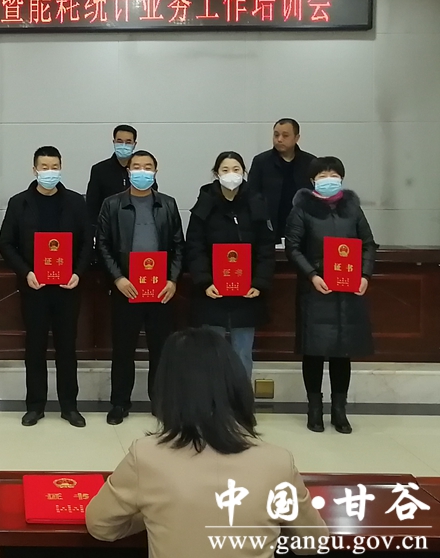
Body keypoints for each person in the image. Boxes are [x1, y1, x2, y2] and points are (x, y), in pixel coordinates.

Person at [87, 328, 328, 557]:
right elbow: (314, 542)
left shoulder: (145, 456)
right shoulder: (277, 462)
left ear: (168, 390)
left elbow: (101, 526)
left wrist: (150, 512)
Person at [0, 146, 92, 428]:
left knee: (67, 348)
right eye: (44, 167)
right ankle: (35, 406)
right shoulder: (19, 203)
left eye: (54, 167)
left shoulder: (76, 202)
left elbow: (87, 243)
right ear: (34, 169)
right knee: (35, 347)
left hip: (67, 288)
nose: (49, 172)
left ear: (61, 168)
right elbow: (6, 243)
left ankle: (69, 406)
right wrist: (26, 272)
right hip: (34, 287)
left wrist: (78, 273)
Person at [285, 156, 377, 435]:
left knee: (342, 352)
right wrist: (312, 275)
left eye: (334, 174)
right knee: (313, 351)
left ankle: (339, 411)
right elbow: (293, 247)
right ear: (313, 180)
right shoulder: (302, 209)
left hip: (347, 291)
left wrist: (365, 275)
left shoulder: (352, 208)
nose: (329, 179)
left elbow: (368, 244)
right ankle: (314, 409)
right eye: (323, 175)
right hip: (316, 289)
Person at [97, 150, 184, 425]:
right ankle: (119, 403)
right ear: (128, 171)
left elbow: (179, 246)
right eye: (137, 167)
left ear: (156, 171)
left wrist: (172, 280)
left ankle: (160, 402)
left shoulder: (168, 204)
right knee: (123, 350)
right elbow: (103, 245)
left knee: (161, 349)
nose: (142, 172)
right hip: (127, 288)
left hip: (160, 290)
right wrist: (118, 279)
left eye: (148, 167)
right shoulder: (112, 204)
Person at [185, 151, 276, 377]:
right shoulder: (205, 204)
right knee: (211, 353)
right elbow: (194, 246)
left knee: (242, 353)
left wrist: (259, 282)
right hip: (212, 293)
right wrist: (204, 281)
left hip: (247, 294)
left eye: (236, 170)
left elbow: (266, 247)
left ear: (244, 173)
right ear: (216, 173)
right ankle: (212, 397)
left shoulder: (256, 202)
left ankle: (241, 397)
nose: (231, 174)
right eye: (225, 170)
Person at [249, 119, 317, 241]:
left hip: (302, 225)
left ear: (296, 138)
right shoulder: (261, 161)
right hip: (269, 226)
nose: (279, 139)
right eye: (276, 135)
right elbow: (252, 193)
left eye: (285, 136)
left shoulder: (310, 162)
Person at [85, 124, 156, 230]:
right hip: (108, 227)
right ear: (114, 142)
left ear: (134, 144)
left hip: (139, 224)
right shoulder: (99, 170)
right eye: (119, 141)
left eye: (128, 142)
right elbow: (92, 206)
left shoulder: (142, 171)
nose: (123, 145)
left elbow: (153, 198)